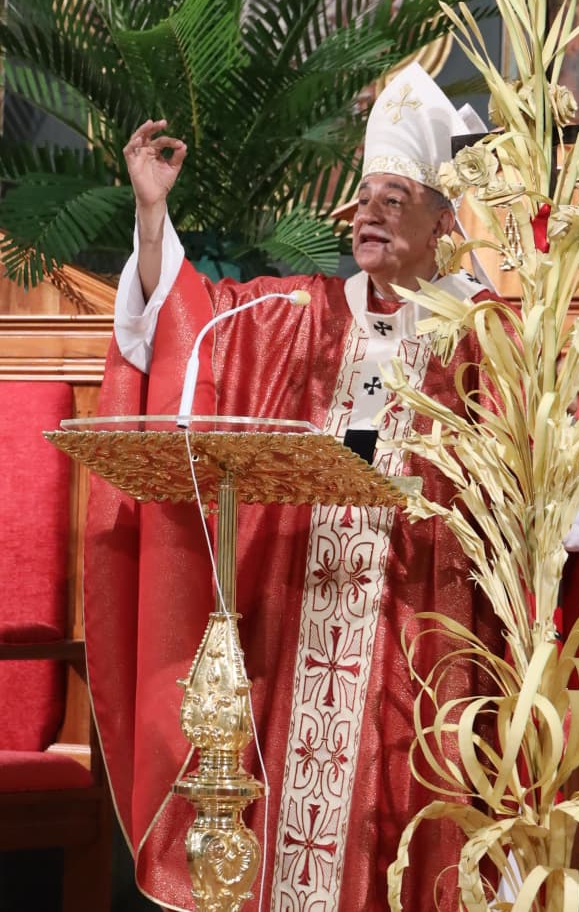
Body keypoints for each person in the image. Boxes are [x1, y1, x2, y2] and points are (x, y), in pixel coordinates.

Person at [85, 62, 503, 911]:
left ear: (442, 223)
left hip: (413, 633)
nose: (367, 214)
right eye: (363, 197)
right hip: (298, 621)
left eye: (393, 198)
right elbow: (189, 320)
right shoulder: (294, 314)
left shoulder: (480, 335)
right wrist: (153, 215)